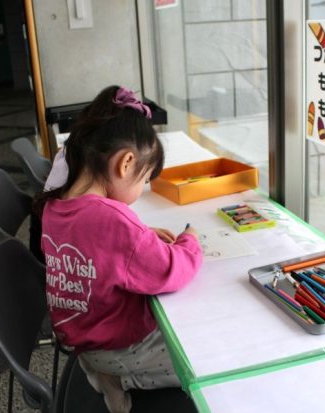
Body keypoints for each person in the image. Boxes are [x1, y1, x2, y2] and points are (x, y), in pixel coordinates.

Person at [34, 86, 202, 413]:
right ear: (125, 164)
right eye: (144, 179)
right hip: (120, 346)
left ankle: (106, 377)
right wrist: (190, 241)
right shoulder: (111, 220)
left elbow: (97, 248)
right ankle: (127, 379)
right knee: (201, 355)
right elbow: (170, 270)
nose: (142, 189)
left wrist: (139, 236)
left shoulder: (55, 206)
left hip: (82, 340)